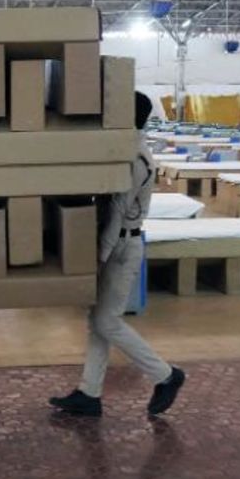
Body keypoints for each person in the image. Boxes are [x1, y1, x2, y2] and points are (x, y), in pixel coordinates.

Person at [50, 92, 185, 418]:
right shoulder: (125, 152)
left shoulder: (135, 159)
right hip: (119, 243)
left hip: (122, 246)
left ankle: (166, 375)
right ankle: (89, 393)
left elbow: (117, 211)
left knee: (107, 321)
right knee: (97, 322)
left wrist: (100, 257)